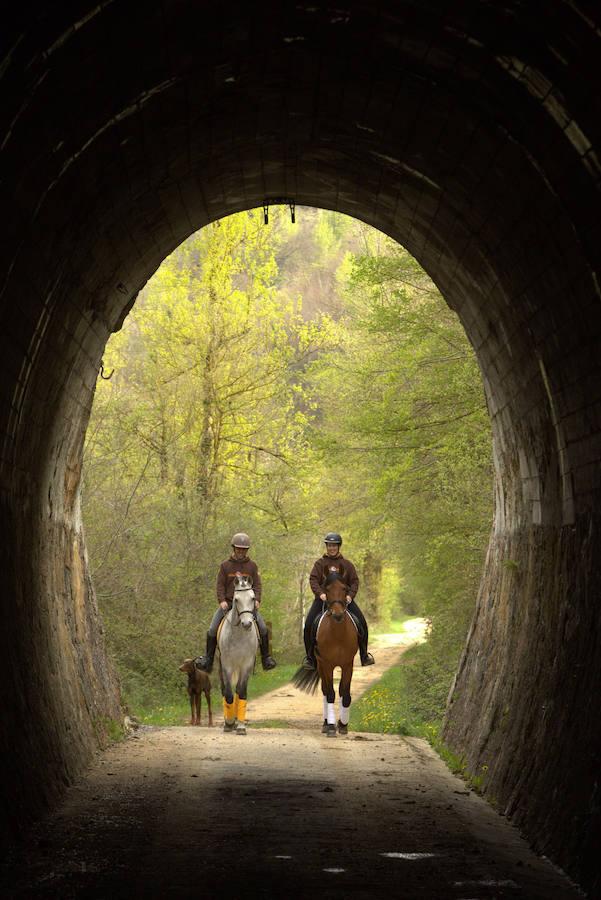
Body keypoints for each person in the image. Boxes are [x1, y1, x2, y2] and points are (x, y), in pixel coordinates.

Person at [195, 532, 277, 673]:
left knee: (263, 628)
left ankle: (266, 658)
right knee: (213, 629)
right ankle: (208, 660)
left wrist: (257, 600)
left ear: (247, 550)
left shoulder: (252, 566)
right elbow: (220, 585)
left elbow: (257, 585)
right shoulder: (225, 566)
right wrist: (221, 601)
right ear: (234, 548)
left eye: (244, 549)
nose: (241, 551)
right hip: (228, 604)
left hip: (247, 606)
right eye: (238, 548)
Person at [302, 532, 375, 670]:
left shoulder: (347, 564)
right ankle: (310, 658)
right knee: (309, 625)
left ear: (338, 546)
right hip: (323, 600)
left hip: (344, 601)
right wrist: (321, 594)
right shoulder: (319, 564)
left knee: (362, 623)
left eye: (334, 545)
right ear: (326, 546)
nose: (331, 548)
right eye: (329, 545)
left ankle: (364, 655)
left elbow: (354, 581)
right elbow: (313, 580)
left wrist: (350, 596)